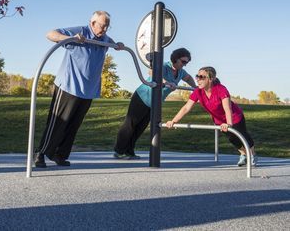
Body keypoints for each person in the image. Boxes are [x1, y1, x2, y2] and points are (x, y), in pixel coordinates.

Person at [34, 10, 124, 168]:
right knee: (57, 123)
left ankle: (60, 155)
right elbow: (50, 34)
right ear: (92, 23)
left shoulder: (104, 38)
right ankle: (40, 153)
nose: (104, 30)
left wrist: (118, 45)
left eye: (107, 27)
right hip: (69, 85)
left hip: (88, 90)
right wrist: (70, 38)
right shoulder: (81, 31)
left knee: (73, 126)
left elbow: (111, 42)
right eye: (102, 26)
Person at [114, 48, 196, 159]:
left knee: (141, 127)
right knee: (130, 124)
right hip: (142, 97)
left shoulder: (181, 72)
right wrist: (166, 82)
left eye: (187, 62)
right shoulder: (164, 65)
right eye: (183, 61)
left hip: (154, 103)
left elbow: (188, 78)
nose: (185, 65)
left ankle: (129, 151)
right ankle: (119, 151)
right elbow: (152, 72)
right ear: (176, 59)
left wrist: (195, 88)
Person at [166, 66, 257, 166]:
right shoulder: (198, 91)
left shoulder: (221, 89)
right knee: (232, 139)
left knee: (242, 136)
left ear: (211, 79)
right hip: (219, 121)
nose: (198, 79)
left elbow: (228, 108)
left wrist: (229, 124)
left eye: (202, 77)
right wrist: (173, 121)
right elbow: (186, 108)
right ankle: (244, 155)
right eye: (197, 76)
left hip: (234, 117)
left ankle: (252, 155)